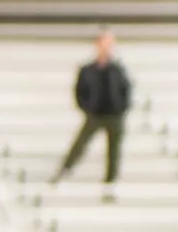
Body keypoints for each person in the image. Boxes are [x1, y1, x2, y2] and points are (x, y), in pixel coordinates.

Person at [53, 30, 131, 186]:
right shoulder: (88, 70)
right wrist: (86, 107)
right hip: (95, 113)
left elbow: (125, 90)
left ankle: (111, 179)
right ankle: (65, 169)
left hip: (114, 114)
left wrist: (121, 107)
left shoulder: (117, 69)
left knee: (114, 150)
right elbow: (79, 91)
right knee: (80, 144)